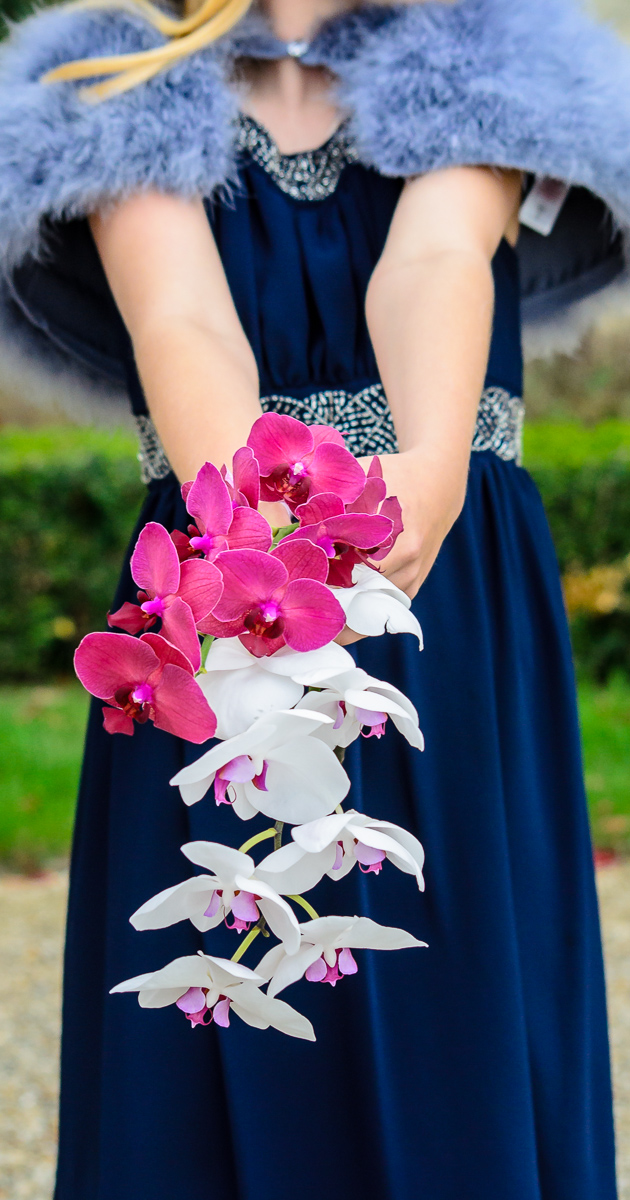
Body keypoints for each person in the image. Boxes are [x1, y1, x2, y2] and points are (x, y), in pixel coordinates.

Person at [0, 0, 626, 1195]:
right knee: (222, 982)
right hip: (224, 590)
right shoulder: (116, 76)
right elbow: (182, 317)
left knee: (453, 974)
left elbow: (435, 259)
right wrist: (253, 552)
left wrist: (428, 476)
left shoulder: (486, 50)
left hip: (446, 580)